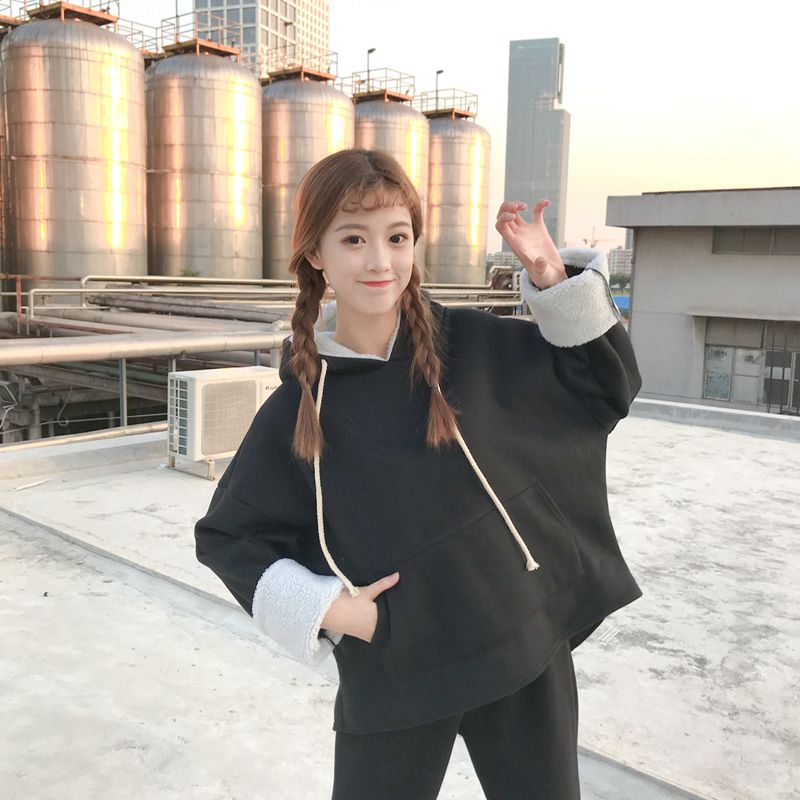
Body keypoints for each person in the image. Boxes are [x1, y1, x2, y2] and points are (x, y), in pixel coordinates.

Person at [194, 148, 643, 799]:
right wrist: (339, 612)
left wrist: (553, 279)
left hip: (519, 639)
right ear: (316, 253)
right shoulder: (299, 408)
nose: (380, 261)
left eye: (397, 237)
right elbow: (227, 536)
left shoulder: (478, 345)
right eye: (354, 239)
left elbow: (605, 387)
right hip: (400, 666)